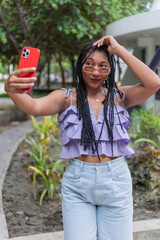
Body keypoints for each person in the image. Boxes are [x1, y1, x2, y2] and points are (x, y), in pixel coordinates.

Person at [5, 36, 160, 240]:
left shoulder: (120, 97)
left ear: (110, 69)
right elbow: (33, 106)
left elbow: (153, 83)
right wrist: (11, 90)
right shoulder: (65, 98)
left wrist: (119, 49)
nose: (96, 71)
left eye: (103, 66)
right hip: (78, 184)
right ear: (80, 66)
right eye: (89, 64)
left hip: (116, 182)